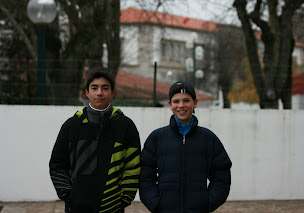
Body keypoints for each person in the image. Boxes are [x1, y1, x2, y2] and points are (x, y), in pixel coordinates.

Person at [49, 67, 141, 213]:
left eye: (105, 88)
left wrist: (123, 198)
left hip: (113, 208)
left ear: (113, 92)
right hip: (77, 209)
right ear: (87, 92)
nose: (99, 93)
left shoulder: (126, 126)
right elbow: (57, 164)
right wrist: (69, 195)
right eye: (94, 88)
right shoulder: (71, 125)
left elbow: (133, 166)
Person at [139, 81, 232, 213]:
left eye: (186, 100)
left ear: (195, 103)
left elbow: (222, 176)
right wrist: (156, 204)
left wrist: (207, 204)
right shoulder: (156, 138)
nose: (181, 106)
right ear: (170, 105)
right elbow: (145, 177)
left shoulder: (208, 138)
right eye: (176, 101)